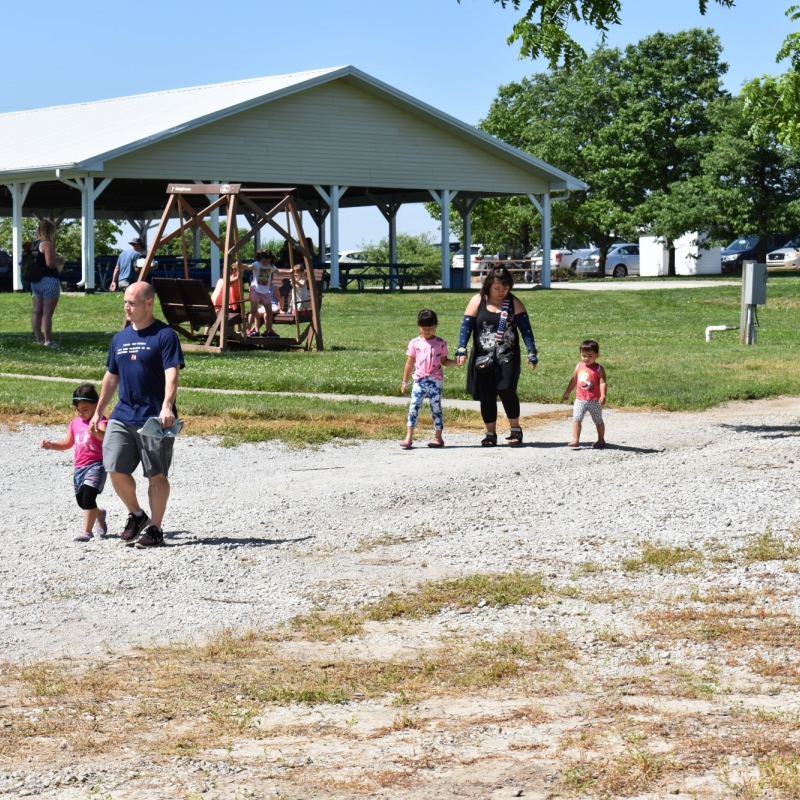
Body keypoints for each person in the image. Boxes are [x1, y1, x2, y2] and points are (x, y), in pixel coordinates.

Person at [90, 282, 185, 549]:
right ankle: (137, 514)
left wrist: (167, 406)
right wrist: (98, 411)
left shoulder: (165, 336)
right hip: (123, 414)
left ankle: (155, 527)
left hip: (154, 419)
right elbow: (111, 377)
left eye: (131, 302)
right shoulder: (119, 338)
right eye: (125, 302)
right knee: (114, 468)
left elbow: (172, 374)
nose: (126, 307)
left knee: (156, 474)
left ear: (149, 303)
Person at [455, 266, 538, 447]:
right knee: (487, 395)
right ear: (489, 286)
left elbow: (526, 331)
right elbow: (466, 327)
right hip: (483, 357)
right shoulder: (477, 300)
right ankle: (490, 433)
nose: (501, 292)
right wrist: (461, 348)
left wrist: (532, 352)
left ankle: (515, 429)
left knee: (506, 389)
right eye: (497, 289)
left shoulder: (514, 303)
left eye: (505, 288)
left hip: (508, 356)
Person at [41, 383, 109, 542]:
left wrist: (97, 432)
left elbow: (106, 437)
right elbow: (67, 443)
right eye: (78, 410)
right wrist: (51, 445)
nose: (81, 413)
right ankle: (99, 514)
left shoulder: (100, 421)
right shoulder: (74, 423)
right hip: (80, 467)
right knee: (82, 502)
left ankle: (87, 532)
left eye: (85, 409)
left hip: (97, 465)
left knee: (88, 498)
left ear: (96, 405)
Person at [400, 308, 457, 449]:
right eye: (424, 328)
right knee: (414, 406)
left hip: (435, 380)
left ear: (436, 326)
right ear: (418, 327)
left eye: (430, 328)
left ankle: (438, 437)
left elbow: (444, 361)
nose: (427, 331)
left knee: (435, 407)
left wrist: (456, 362)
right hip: (419, 380)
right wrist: (404, 382)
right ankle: (408, 437)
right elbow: (409, 363)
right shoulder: (414, 343)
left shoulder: (440, 343)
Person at [562, 339, 607, 449]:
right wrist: (568, 392)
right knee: (576, 418)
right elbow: (574, 380)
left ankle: (601, 439)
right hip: (580, 399)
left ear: (597, 355)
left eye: (590, 356)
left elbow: (602, 382)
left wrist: (603, 395)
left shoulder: (599, 368)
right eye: (584, 355)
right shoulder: (579, 367)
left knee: (598, 420)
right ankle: (576, 439)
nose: (586, 359)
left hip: (594, 400)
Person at [29, 219, 65, 348]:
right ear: (51, 230)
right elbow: (50, 264)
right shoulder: (47, 244)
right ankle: (48, 340)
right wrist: (59, 260)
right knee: (47, 313)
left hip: (36, 281)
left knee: (36, 311)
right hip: (49, 280)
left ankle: (38, 338)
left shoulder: (35, 244)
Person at [246, 250, 280, 337]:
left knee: (269, 311)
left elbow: (279, 272)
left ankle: (269, 330)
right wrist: (241, 266)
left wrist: (290, 272)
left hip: (265, 292)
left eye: (268, 261)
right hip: (256, 290)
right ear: (260, 259)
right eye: (264, 261)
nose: (265, 263)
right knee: (253, 310)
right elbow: (249, 267)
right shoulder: (257, 264)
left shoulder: (270, 266)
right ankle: (248, 330)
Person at [211, 261, 245, 332]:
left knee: (239, 316)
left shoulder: (239, 279)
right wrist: (238, 277)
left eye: (242, 269)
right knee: (231, 318)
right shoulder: (231, 278)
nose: (242, 271)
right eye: (239, 270)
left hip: (238, 300)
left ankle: (239, 329)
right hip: (231, 302)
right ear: (233, 271)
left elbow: (240, 289)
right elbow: (229, 281)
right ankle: (231, 332)